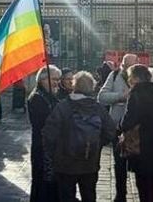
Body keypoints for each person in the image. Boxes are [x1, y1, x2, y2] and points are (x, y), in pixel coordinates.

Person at [43, 71, 116, 202]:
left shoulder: (63, 106)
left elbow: (49, 133)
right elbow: (111, 131)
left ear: (74, 85)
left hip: (65, 162)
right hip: (90, 161)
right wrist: (97, 144)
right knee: (89, 196)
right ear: (92, 87)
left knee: (66, 197)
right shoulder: (98, 108)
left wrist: (53, 154)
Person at [119, 65, 153, 202]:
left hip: (143, 146)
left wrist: (121, 127)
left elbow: (128, 121)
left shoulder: (136, 95)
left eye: (130, 77)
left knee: (144, 186)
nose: (129, 80)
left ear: (136, 78)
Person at [98, 53, 138, 202]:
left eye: (132, 66)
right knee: (119, 162)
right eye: (126, 65)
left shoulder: (145, 75)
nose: (129, 69)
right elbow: (101, 97)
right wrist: (121, 96)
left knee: (139, 163)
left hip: (137, 128)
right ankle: (120, 194)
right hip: (118, 126)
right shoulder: (114, 76)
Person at [26, 65, 61, 202]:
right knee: (43, 183)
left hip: (52, 148)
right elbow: (45, 123)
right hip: (43, 147)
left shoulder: (50, 96)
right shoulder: (37, 97)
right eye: (53, 79)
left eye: (58, 79)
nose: (57, 82)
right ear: (42, 80)